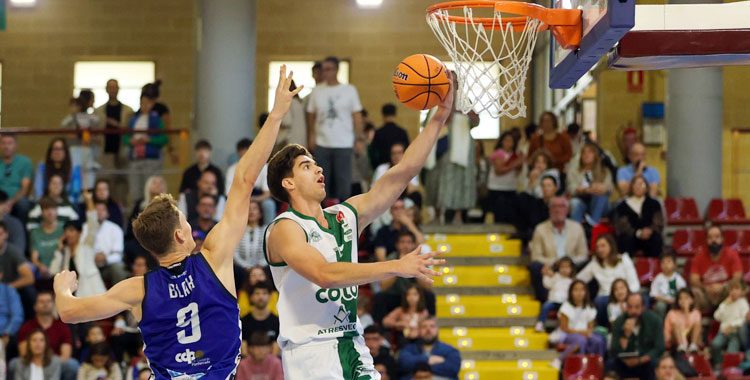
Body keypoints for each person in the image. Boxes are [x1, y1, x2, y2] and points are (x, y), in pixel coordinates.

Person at [50, 66, 302, 379]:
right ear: (181, 236)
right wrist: (276, 114)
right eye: (185, 221)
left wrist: (63, 287)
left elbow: (69, 311)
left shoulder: (137, 289)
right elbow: (245, 177)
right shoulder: (215, 259)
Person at [264, 73, 453, 379]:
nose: (319, 168)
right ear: (289, 183)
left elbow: (403, 171)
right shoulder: (286, 227)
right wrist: (395, 266)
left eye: (316, 162)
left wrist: (440, 115)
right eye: (306, 166)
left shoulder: (345, 215)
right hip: (311, 351)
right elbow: (325, 274)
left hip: (352, 343)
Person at [306, 56, 364, 202]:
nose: (325, 73)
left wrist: (359, 138)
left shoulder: (349, 90)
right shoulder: (317, 91)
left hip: (343, 143)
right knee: (321, 182)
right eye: (323, 69)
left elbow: (356, 116)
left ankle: (343, 217)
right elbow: (311, 115)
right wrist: (311, 135)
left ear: (337, 70)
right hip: (322, 142)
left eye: (329, 69)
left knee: (344, 184)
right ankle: (322, 217)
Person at [422, 73, 478, 225]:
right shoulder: (435, 100)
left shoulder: (465, 101)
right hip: (440, 146)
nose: (451, 84)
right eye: (448, 81)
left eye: (454, 81)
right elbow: (427, 123)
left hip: (461, 146)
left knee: (460, 178)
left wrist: (464, 113)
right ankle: (437, 214)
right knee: (436, 177)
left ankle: (458, 215)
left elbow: (476, 121)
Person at [528, 197, 588, 302]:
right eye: (554, 206)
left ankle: (581, 301)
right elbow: (536, 256)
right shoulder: (540, 229)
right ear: (549, 210)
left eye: (561, 206)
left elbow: (583, 255)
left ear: (567, 209)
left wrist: (569, 262)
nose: (557, 210)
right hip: (551, 266)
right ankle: (545, 300)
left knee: (588, 264)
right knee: (535, 267)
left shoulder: (577, 228)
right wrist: (553, 262)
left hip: (572, 266)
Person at [49, 193, 107, 298]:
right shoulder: (65, 251)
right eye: (66, 231)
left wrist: (89, 201)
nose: (68, 234)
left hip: (91, 292)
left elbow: (93, 224)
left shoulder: (87, 245)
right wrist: (59, 250)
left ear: (79, 233)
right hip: (72, 295)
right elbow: (53, 271)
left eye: (71, 231)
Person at [374, 231, 437, 324]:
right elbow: (383, 286)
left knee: (430, 295)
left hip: (416, 296)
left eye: (409, 242)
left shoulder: (420, 258)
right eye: (402, 242)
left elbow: (428, 286)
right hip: (397, 295)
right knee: (379, 297)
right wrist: (399, 266)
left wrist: (414, 269)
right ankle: (380, 329)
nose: (405, 245)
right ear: (397, 245)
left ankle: (430, 325)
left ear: (414, 245)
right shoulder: (391, 257)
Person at [578, 234, 640, 327]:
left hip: (625, 295)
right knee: (599, 301)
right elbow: (579, 279)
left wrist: (626, 297)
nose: (600, 250)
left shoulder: (623, 259)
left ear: (611, 246)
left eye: (603, 246)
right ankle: (603, 329)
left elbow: (634, 283)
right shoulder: (595, 263)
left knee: (642, 299)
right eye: (597, 247)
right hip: (606, 297)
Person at [16, 292, 77, 380]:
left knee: (72, 364)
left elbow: (66, 355)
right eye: (41, 302)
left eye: (48, 301)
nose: (45, 304)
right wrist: (38, 361)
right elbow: (24, 353)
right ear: (35, 306)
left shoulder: (62, 327)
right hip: (32, 360)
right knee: (14, 363)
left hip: (55, 362)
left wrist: (50, 361)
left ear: (54, 304)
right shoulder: (26, 327)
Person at [124, 87, 168, 206]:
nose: (144, 106)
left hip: (151, 160)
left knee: (151, 189)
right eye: (142, 103)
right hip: (136, 158)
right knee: (135, 191)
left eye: (147, 103)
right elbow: (126, 137)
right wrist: (131, 141)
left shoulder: (157, 120)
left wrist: (149, 139)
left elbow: (164, 139)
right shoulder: (134, 119)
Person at [94, 79, 134, 204]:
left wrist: (117, 125)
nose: (112, 90)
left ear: (118, 89)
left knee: (122, 186)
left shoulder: (128, 111)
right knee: (107, 184)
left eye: (115, 87)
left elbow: (131, 130)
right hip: (106, 153)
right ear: (106, 89)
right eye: (110, 87)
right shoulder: (99, 111)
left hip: (122, 152)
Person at [549, 279, 606, 370]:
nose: (579, 293)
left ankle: (596, 367)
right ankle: (561, 360)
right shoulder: (565, 307)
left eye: (582, 290)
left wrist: (587, 332)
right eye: (576, 289)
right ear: (571, 292)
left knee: (598, 340)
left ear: (585, 292)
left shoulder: (590, 308)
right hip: (567, 334)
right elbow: (564, 328)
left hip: (584, 334)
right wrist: (581, 332)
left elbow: (590, 328)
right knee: (581, 340)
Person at [608, 293, 664, 380]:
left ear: (643, 307)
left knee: (656, 363)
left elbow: (659, 347)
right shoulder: (618, 323)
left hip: (645, 362)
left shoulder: (654, 320)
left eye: (637, 307)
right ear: (626, 308)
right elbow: (614, 351)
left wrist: (640, 360)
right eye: (630, 307)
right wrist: (626, 334)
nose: (633, 311)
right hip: (625, 363)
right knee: (610, 364)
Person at [690, 224, 743, 311]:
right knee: (694, 292)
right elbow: (694, 280)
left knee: (737, 291)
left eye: (717, 237)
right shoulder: (698, 257)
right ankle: (695, 323)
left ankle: (735, 323)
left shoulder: (732, 254)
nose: (713, 240)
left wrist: (723, 286)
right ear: (706, 240)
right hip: (706, 294)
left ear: (722, 239)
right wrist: (706, 288)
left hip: (726, 293)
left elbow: (737, 277)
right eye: (710, 237)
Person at [226, 138, 275, 225]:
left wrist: (254, 199)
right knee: (227, 204)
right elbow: (229, 194)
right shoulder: (232, 170)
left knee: (269, 204)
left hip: (258, 198)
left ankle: (268, 231)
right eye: (242, 152)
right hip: (240, 199)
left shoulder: (264, 167)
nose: (245, 155)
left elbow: (267, 193)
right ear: (238, 153)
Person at [613, 175, 664, 258]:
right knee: (624, 240)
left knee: (656, 240)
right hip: (631, 236)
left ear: (646, 187)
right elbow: (621, 225)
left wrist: (649, 231)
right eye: (636, 184)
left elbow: (658, 222)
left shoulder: (654, 204)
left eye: (641, 184)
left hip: (649, 235)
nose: (638, 187)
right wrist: (638, 233)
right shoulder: (622, 206)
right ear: (631, 187)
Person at [60, 92, 101, 190]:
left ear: (80, 106)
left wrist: (86, 136)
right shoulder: (69, 118)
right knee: (74, 171)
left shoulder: (90, 117)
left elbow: (96, 127)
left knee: (87, 172)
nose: (73, 108)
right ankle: (74, 192)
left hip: (87, 148)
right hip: (73, 149)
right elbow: (64, 129)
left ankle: (87, 192)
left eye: (75, 105)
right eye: (71, 106)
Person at [124, 175, 166, 268]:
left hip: (161, 242)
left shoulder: (168, 206)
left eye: (161, 183)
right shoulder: (140, 205)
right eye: (155, 183)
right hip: (141, 241)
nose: (158, 185)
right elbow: (133, 228)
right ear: (148, 186)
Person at [567, 142, 613, 224]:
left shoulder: (605, 171)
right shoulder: (574, 171)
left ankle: (593, 222)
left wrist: (602, 188)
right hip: (582, 201)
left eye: (590, 152)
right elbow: (570, 188)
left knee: (599, 193)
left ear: (595, 155)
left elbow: (610, 188)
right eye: (584, 152)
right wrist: (585, 190)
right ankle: (576, 230)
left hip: (600, 203)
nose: (586, 155)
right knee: (575, 203)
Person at [710, 279, 749, 370]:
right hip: (723, 332)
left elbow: (743, 319)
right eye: (731, 289)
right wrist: (724, 304)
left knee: (732, 352)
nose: (734, 291)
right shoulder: (725, 303)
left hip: (735, 333)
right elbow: (716, 316)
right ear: (728, 291)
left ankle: (730, 369)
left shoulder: (743, 303)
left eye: (736, 289)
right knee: (715, 344)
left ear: (742, 291)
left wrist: (731, 325)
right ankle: (718, 365)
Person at [0, 221, 35, 319]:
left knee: (29, 292)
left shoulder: (13, 252)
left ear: (6, 235)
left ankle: (30, 322)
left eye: (0, 234)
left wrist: (8, 287)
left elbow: (29, 278)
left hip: (10, 286)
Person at [487, 131, 522, 224]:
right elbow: (499, 171)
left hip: (510, 187)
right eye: (506, 140)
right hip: (497, 188)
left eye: (510, 141)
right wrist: (515, 164)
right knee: (500, 216)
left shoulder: (515, 155)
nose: (508, 143)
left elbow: (518, 170)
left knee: (510, 215)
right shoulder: (498, 153)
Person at [89, 199, 127, 285]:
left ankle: (119, 296)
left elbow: (118, 254)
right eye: (96, 210)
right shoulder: (85, 228)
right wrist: (94, 258)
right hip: (90, 265)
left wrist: (105, 258)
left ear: (107, 213)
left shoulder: (115, 229)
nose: (99, 212)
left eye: (102, 209)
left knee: (117, 268)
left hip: (108, 265)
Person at [33, 138, 82, 205]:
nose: (57, 152)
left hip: (68, 203)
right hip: (46, 203)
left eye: (61, 149)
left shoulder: (74, 168)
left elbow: (76, 192)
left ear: (65, 152)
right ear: (50, 152)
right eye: (55, 149)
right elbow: (38, 191)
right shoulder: (42, 167)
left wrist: (64, 203)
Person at [372, 143, 422, 207]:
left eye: (399, 153)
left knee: (417, 196)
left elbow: (413, 189)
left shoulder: (410, 169)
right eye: (394, 153)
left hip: (403, 198)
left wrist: (403, 172)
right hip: (385, 198)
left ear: (404, 154)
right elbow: (374, 189)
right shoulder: (382, 168)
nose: (396, 156)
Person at [0, 133, 34, 224]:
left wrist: (10, 203)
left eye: (9, 143)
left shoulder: (25, 162)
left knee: (23, 204)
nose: (6, 146)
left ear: (15, 145)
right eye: (3, 143)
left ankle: (22, 235)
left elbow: (25, 188)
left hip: (17, 199)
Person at [240, 282, 280, 355]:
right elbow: (243, 346)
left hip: (272, 363)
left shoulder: (276, 321)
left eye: (264, 293)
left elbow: (276, 346)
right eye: (257, 293)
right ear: (251, 297)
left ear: (270, 297)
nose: (261, 297)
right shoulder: (244, 321)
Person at [535, 257, 574, 332]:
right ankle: (540, 323)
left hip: (565, 303)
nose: (564, 270)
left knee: (564, 313)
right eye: (562, 267)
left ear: (571, 268)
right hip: (553, 301)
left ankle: (562, 328)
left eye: (567, 267)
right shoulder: (555, 277)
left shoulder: (572, 281)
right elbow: (547, 284)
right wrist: (545, 275)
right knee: (545, 306)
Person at [30, 198, 65, 279]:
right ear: (42, 212)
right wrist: (41, 267)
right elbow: (34, 258)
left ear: (57, 211)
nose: (50, 213)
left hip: (62, 270)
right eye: (46, 209)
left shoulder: (65, 229)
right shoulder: (35, 233)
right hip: (43, 273)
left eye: (53, 209)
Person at [233, 201, 266, 286]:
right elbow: (235, 253)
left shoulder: (267, 230)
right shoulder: (238, 230)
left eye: (254, 209)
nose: (251, 212)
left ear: (260, 213)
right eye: (249, 209)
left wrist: (261, 265)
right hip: (243, 269)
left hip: (263, 267)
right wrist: (246, 266)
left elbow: (270, 253)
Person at [370, 103, 409, 169]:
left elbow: (372, 153)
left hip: (383, 167)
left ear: (383, 115)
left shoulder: (378, 133)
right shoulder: (402, 132)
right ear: (395, 114)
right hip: (400, 167)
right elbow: (408, 152)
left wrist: (377, 167)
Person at [650, 253, 686, 318]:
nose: (666, 265)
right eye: (663, 262)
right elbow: (654, 295)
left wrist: (676, 300)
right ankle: (659, 325)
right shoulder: (658, 278)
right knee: (660, 306)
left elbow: (683, 294)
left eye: (669, 262)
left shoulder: (678, 279)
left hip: (675, 302)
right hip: (661, 302)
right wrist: (666, 300)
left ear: (675, 265)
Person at [279, 80, 307, 148]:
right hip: (302, 138)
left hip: (291, 138)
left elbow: (287, 121)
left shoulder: (289, 102)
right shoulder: (299, 102)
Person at [0, 270, 23, 350]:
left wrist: (7, 333)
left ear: (1, 275)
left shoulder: (8, 290)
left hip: (3, 333)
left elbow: (17, 315)